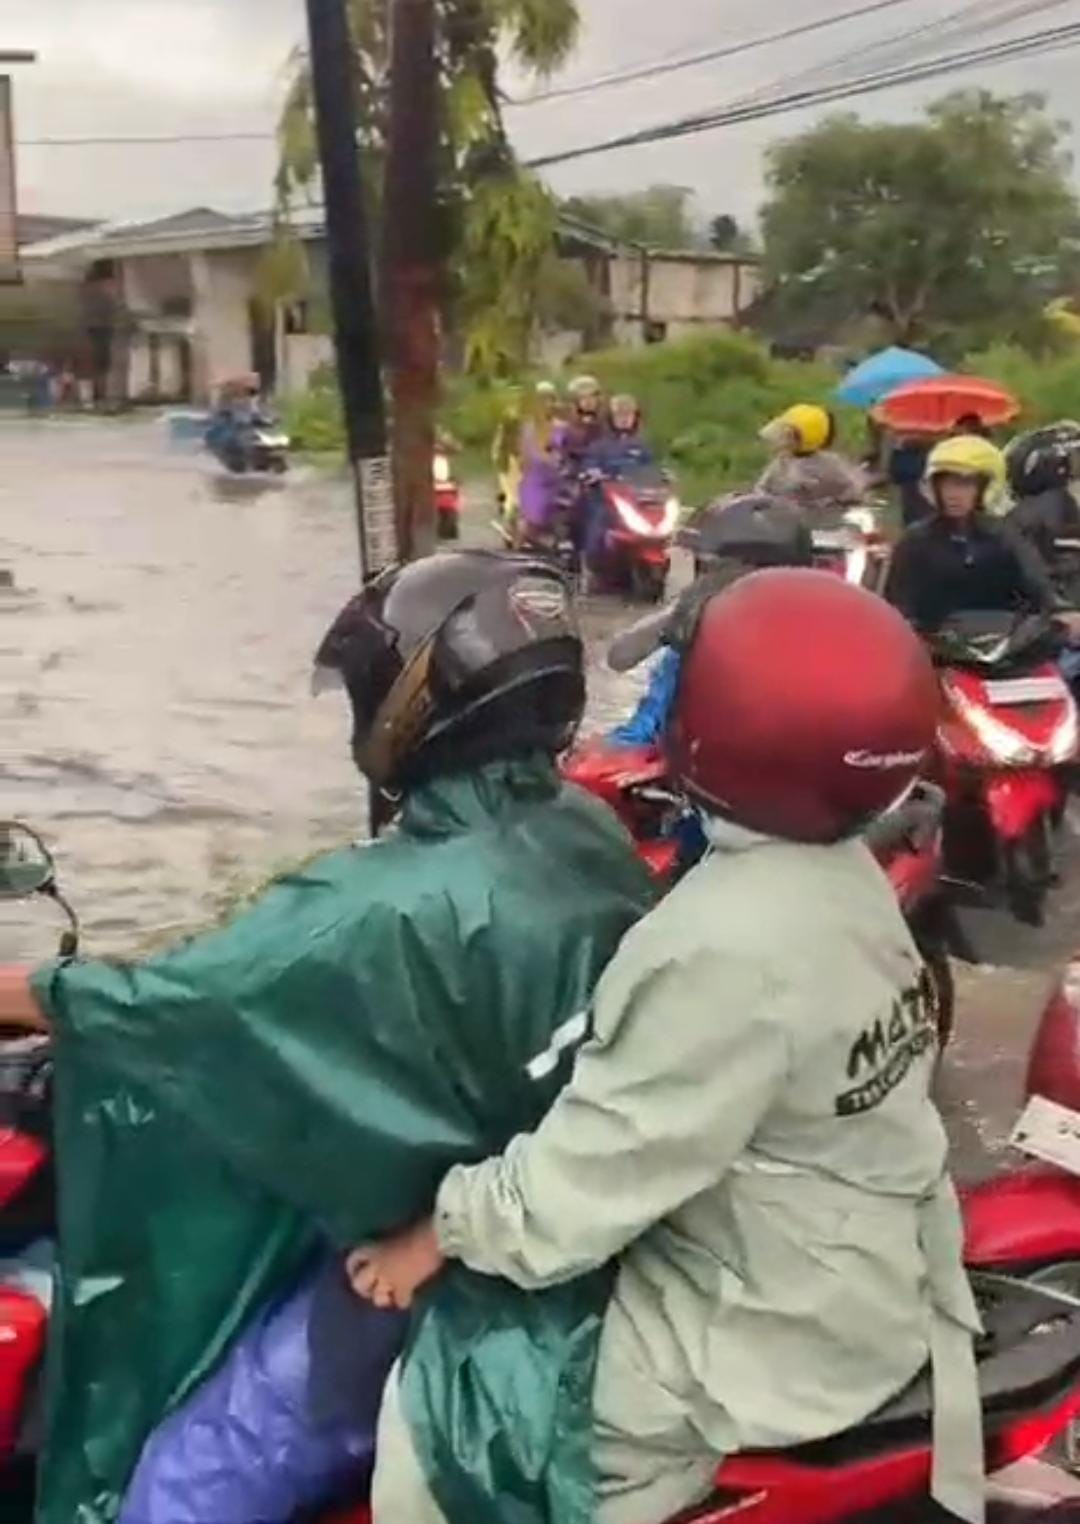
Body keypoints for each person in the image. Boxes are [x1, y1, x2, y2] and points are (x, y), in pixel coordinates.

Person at [0, 551, 655, 1524]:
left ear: (418, 700)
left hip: (453, 1277)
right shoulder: (580, 829)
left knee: (171, 1495)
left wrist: (25, 992)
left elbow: (172, 1002)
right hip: (528, 1195)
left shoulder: (370, 906)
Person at [350, 569, 983, 1524]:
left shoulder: (718, 948)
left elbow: (571, 1200)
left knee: (441, 1421)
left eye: (685, 689)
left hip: (771, 1328)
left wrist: (431, 1231)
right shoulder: (842, 871)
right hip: (868, 1267)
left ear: (716, 730)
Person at [607, 492, 813, 748]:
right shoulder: (696, 614)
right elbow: (618, 657)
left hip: (691, 760)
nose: (703, 575)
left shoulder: (709, 626)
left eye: (710, 566)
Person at [885, 434, 1059, 632]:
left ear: (983, 487)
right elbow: (897, 604)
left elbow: (1037, 582)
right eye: (946, 484)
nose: (953, 494)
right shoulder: (915, 540)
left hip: (1000, 643)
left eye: (965, 484)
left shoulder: (1004, 535)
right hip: (935, 646)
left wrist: (1061, 611)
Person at [756, 403, 866, 516]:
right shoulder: (783, 459)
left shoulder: (828, 464)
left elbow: (853, 491)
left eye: (788, 435)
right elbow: (764, 487)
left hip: (819, 523)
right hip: (784, 518)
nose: (781, 438)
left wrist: (829, 504)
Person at [517, 381, 565, 546]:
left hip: (558, 480)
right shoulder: (529, 427)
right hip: (535, 480)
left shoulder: (562, 428)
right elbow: (526, 455)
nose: (547, 405)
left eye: (550, 400)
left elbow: (566, 453)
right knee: (530, 523)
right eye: (542, 400)